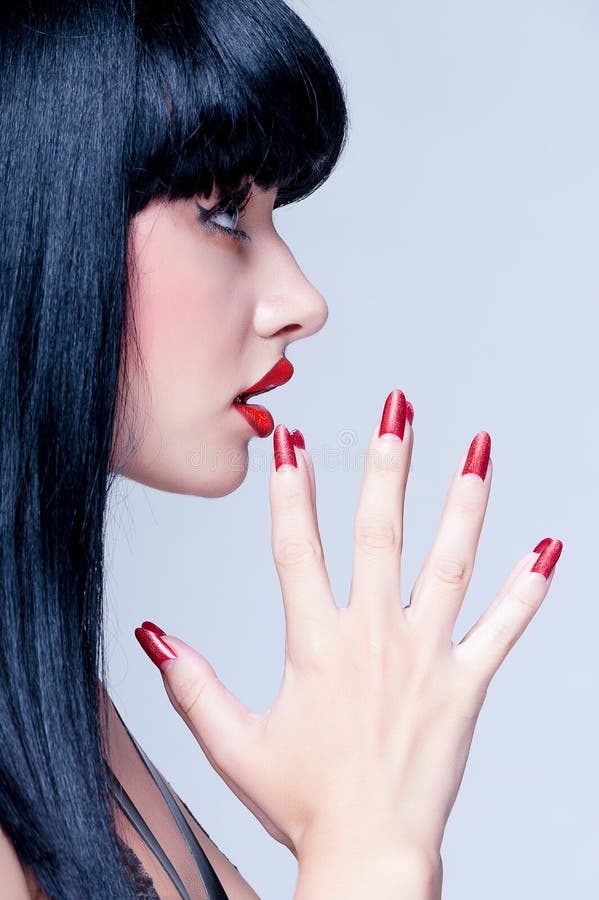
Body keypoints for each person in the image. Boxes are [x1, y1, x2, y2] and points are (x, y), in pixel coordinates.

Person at [0, 1, 562, 898]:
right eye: (223, 211)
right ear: (35, 210)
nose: (302, 300)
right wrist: (367, 851)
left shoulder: (53, 713)